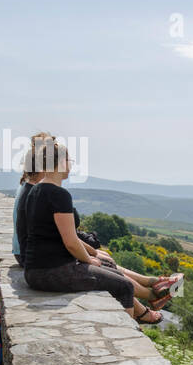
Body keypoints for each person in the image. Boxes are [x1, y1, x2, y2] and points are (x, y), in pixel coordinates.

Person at [20, 133, 175, 323]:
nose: (71, 165)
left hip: (35, 269)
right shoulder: (59, 195)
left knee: (114, 272)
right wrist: (88, 260)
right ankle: (130, 333)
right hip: (52, 271)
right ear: (61, 163)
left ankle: (153, 294)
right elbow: (70, 242)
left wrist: (89, 258)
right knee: (124, 286)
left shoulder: (35, 190)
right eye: (69, 160)